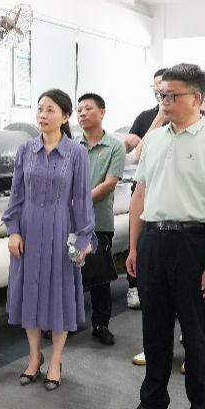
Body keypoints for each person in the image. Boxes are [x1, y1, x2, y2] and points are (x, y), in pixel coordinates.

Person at [115, 63, 205, 409]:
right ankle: (152, 405)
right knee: (153, 331)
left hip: (193, 244)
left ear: (197, 98)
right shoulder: (153, 140)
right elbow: (140, 196)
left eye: (172, 96)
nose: (164, 102)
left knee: (197, 335)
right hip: (154, 241)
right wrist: (135, 247)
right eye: (161, 96)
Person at [2, 89, 96, 391]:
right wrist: (13, 230)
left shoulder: (77, 154)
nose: (43, 115)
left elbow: (82, 200)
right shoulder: (25, 150)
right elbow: (16, 196)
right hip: (28, 232)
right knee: (28, 293)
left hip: (60, 232)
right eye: (40, 109)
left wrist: (84, 238)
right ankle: (34, 357)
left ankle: (55, 360)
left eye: (50, 110)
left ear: (65, 116)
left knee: (60, 297)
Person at [76, 93, 126, 345]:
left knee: (99, 277)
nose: (83, 113)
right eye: (79, 110)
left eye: (88, 108)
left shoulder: (114, 146)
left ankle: (101, 324)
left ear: (102, 112)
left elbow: (109, 184)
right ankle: (68, 321)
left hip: (99, 222)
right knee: (69, 274)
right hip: (72, 222)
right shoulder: (72, 146)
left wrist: (79, 202)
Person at [123, 68, 168, 310]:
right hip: (144, 187)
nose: (159, 88)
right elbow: (135, 154)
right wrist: (158, 118)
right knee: (139, 238)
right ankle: (134, 286)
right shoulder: (145, 117)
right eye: (155, 85)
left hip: (169, 193)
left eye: (163, 83)